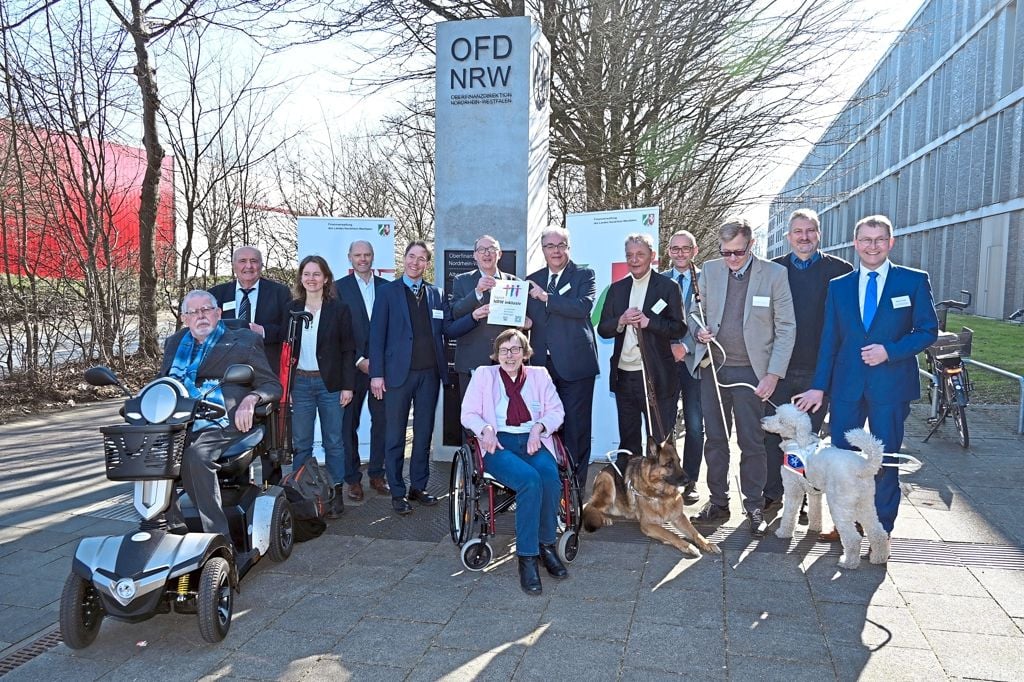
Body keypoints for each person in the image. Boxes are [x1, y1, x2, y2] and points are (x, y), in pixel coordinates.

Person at [795, 215, 938, 537]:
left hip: (891, 385)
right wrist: (819, 386)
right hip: (847, 387)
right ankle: (846, 523)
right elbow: (829, 340)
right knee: (844, 459)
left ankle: (880, 527)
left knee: (883, 459)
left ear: (890, 242)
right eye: (865, 240)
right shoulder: (840, 286)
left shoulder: (912, 281)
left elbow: (928, 330)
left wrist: (891, 350)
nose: (872, 246)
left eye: (879, 240)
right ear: (855, 243)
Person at [689, 217, 795, 537]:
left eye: (737, 252)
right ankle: (718, 501)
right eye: (725, 252)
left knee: (752, 442)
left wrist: (773, 375)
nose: (731, 258)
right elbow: (694, 315)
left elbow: (787, 328)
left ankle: (754, 506)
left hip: (753, 373)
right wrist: (699, 332)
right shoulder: (709, 270)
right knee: (716, 441)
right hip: (715, 368)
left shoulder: (775, 274)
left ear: (751, 245)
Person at [159, 290, 282, 538]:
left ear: (218, 313)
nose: (200, 316)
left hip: (224, 418)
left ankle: (217, 536)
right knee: (155, 452)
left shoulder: (244, 340)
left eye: (206, 310)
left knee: (196, 456)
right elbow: (163, 384)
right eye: (193, 312)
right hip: (182, 418)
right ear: (184, 318)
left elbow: (272, 385)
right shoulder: (174, 343)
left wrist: (252, 398)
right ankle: (173, 529)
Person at [369, 241, 476, 515]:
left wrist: (475, 316)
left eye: (421, 259)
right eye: (411, 257)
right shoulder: (387, 292)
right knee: (394, 435)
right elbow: (376, 336)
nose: (415, 263)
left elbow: (449, 329)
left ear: (427, 264)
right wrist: (376, 374)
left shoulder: (436, 294)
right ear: (404, 259)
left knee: (424, 433)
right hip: (396, 376)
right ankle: (397, 490)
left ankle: (418, 486)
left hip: (430, 374)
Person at [461, 329, 568, 595]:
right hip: (497, 444)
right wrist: (484, 429)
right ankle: (527, 557)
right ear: (496, 354)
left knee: (549, 476)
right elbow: (468, 413)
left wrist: (539, 427)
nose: (510, 355)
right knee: (529, 480)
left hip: (532, 439)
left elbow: (557, 411)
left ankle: (546, 545)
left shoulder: (539, 375)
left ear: (525, 353)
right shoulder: (485, 375)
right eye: (504, 350)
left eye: (516, 349)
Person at [763, 209, 853, 523]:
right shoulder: (774, 270)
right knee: (773, 436)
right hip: (779, 368)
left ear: (819, 233)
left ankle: (800, 498)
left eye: (810, 230)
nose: (804, 237)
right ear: (788, 237)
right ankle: (772, 494)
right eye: (798, 231)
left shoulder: (841, 271)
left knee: (807, 438)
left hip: (819, 371)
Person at [596, 233, 686, 473]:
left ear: (652, 257)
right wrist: (621, 321)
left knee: (660, 440)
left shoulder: (668, 287)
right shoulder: (616, 290)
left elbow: (679, 327)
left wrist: (649, 323)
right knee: (629, 440)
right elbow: (603, 329)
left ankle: (665, 493)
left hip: (656, 375)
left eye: (640, 254)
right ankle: (631, 491)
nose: (634, 260)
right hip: (624, 376)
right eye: (630, 255)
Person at [526, 225, 599, 494]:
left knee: (576, 427)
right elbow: (529, 319)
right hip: (541, 368)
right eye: (550, 246)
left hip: (575, 365)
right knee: (544, 427)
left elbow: (582, 308)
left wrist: (546, 297)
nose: (556, 251)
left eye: (561, 246)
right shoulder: (531, 279)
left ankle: (575, 487)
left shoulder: (584, 275)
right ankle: (552, 481)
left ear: (568, 247)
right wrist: (522, 322)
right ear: (542, 249)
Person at [287, 255, 355, 519]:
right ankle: (299, 494)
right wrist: (286, 387)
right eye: (307, 274)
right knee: (301, 443)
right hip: (300, 384)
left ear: (326, 278)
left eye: (317, 274)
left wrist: (348, 386)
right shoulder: (291, 309)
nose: (311, 279)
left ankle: (335, 491)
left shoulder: (339, 309)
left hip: (331, 385)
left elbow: (348, 350)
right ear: (301, 278)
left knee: (334, 442)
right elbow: (285, 350)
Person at [334, 240, 389, 501]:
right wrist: (358, 359)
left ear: (373, 257)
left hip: (381, 369)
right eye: (358, 255)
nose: (363, 259)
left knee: (382, 423)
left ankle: (378, 474)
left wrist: (377, 363)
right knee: (348, 425)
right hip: (351, 368)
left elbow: (394, 330)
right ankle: (352, 479)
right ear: (350, 258)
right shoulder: (337, 289)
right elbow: (337, 331)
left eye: (367, 254)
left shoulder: (387, 288)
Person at [662, 229, 704, 506]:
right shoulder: (659, 281)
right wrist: (667, 348)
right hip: (664, 361)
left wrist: (686, 346)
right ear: (668, 252)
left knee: (694, 425)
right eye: (675, 249)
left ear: (695, 250)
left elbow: (712, 318)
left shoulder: (708, 281)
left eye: (685, 248)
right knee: (663, 425)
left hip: (694, 361)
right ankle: (666, 479)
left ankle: (689, 481)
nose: (680, 253)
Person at [450, 235, 520, 400]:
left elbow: (518, 323)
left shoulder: (514, 282)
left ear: (500, 254)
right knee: (472, 419)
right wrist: (477, 292)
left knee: (504, 417)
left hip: (505, 361)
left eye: (492, 249)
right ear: (475, 255)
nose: (487, 253)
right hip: (471, 361)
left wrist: (525, 323)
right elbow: (455, 312)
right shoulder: (462, 281)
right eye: (482, 249)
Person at [208, 246, 292, 373]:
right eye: (242, 261)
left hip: (266, 368)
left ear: (261, 265)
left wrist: (263, 331)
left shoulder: (280, 292)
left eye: (254, 261)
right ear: (234, 265)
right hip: (226, 368)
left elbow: (289, 331)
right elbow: (206, 330)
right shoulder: (216, 294)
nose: (249, 266)